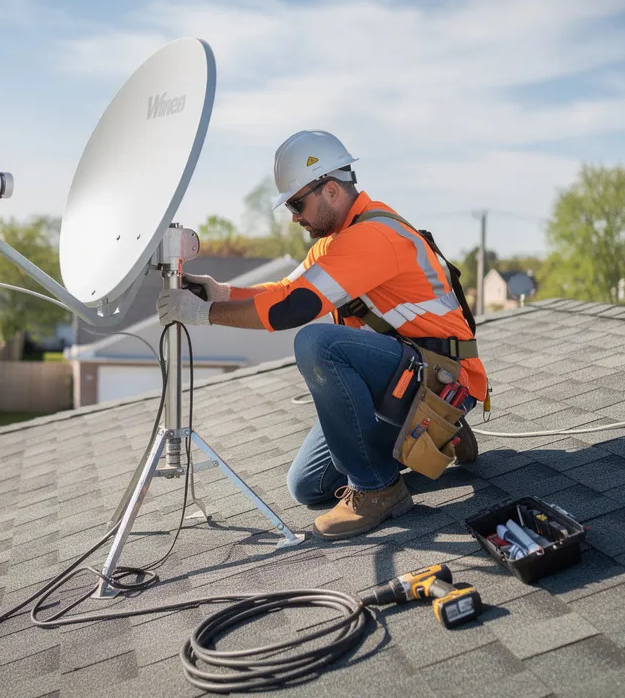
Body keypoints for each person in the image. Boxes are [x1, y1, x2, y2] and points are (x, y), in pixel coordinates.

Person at [156, 130, 487, 540]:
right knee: (308, 486)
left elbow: (292, 309)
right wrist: (221, 292)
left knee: (316, 344)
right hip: (407, 381)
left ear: (330, 189)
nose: (294, 216)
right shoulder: (335, 243)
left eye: (297, 203)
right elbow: (285, 291)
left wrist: (206, 314)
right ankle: (437, 437)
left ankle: (379, 489)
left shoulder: (373, 237)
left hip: (442, 380)